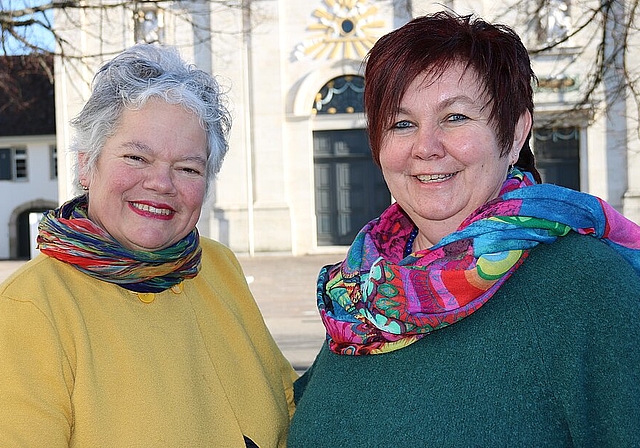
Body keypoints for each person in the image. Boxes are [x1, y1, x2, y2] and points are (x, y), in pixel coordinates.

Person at [288, 11, 640, 447]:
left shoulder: (589, 287)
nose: (426, 147)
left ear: (513, 135)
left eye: (454, 117)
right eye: (402, 123)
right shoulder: (363, 292)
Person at [0, 44, 296, 447]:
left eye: (188, 168)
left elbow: (287, 403)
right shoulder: (31, 307)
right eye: (137, 158)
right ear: (86, 165)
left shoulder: (217, 264)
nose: (161, 183)